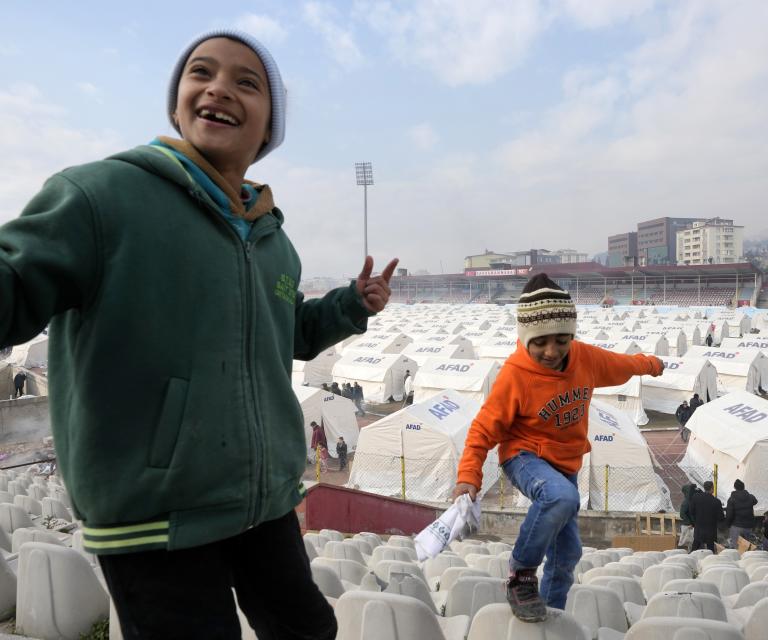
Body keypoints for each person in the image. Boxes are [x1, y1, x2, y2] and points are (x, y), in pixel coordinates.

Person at [0, 29, 400, 639]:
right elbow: (16, 282)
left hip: (261, 503)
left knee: (311, 630)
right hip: (154, 516)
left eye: (246, 82)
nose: (219, 89)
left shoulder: (273, 241)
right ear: (177, 102)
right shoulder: (104, 198)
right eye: (201, 73)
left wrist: (349, 306)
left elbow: (286, 333)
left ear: (269, 127)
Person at [452, 274, 665, 622]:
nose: (551, 351)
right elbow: (482, 430)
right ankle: (521, 575)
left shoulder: (585, 359)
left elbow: (623, 365)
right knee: (561, 497)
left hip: (566, 466)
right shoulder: (515, 375)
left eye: (561, 340)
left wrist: (651, 364)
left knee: (568, 553)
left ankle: (547, 616)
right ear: (525, 338)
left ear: (571, 335)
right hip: (524, 456)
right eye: (540, 342)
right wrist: (468, 478)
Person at [689, 480, 724, 553]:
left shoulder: (696, 497)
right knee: (710, 551)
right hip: (711, 530)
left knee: (694, 548)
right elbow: (721, 517)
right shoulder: (716, 501)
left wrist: (695, 521)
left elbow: (691, 511)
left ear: (704, 488)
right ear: (712, 489)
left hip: (699, 529)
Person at [724, 479, 758, 548]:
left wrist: (727, 524)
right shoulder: (750, 497)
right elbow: (755, 501)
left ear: (735, 487)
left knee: (736, 547)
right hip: (748, 526)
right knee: (747, 547)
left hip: (736, 526)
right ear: (743, 487)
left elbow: (729, 514)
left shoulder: (731, 499)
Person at [678, 483, 700, 551]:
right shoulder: (686, 502)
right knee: (687, 543)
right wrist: (690, 522)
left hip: (693, 525)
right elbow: (682, 514)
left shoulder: (692, 500)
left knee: (692, 544)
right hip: (689, 526)